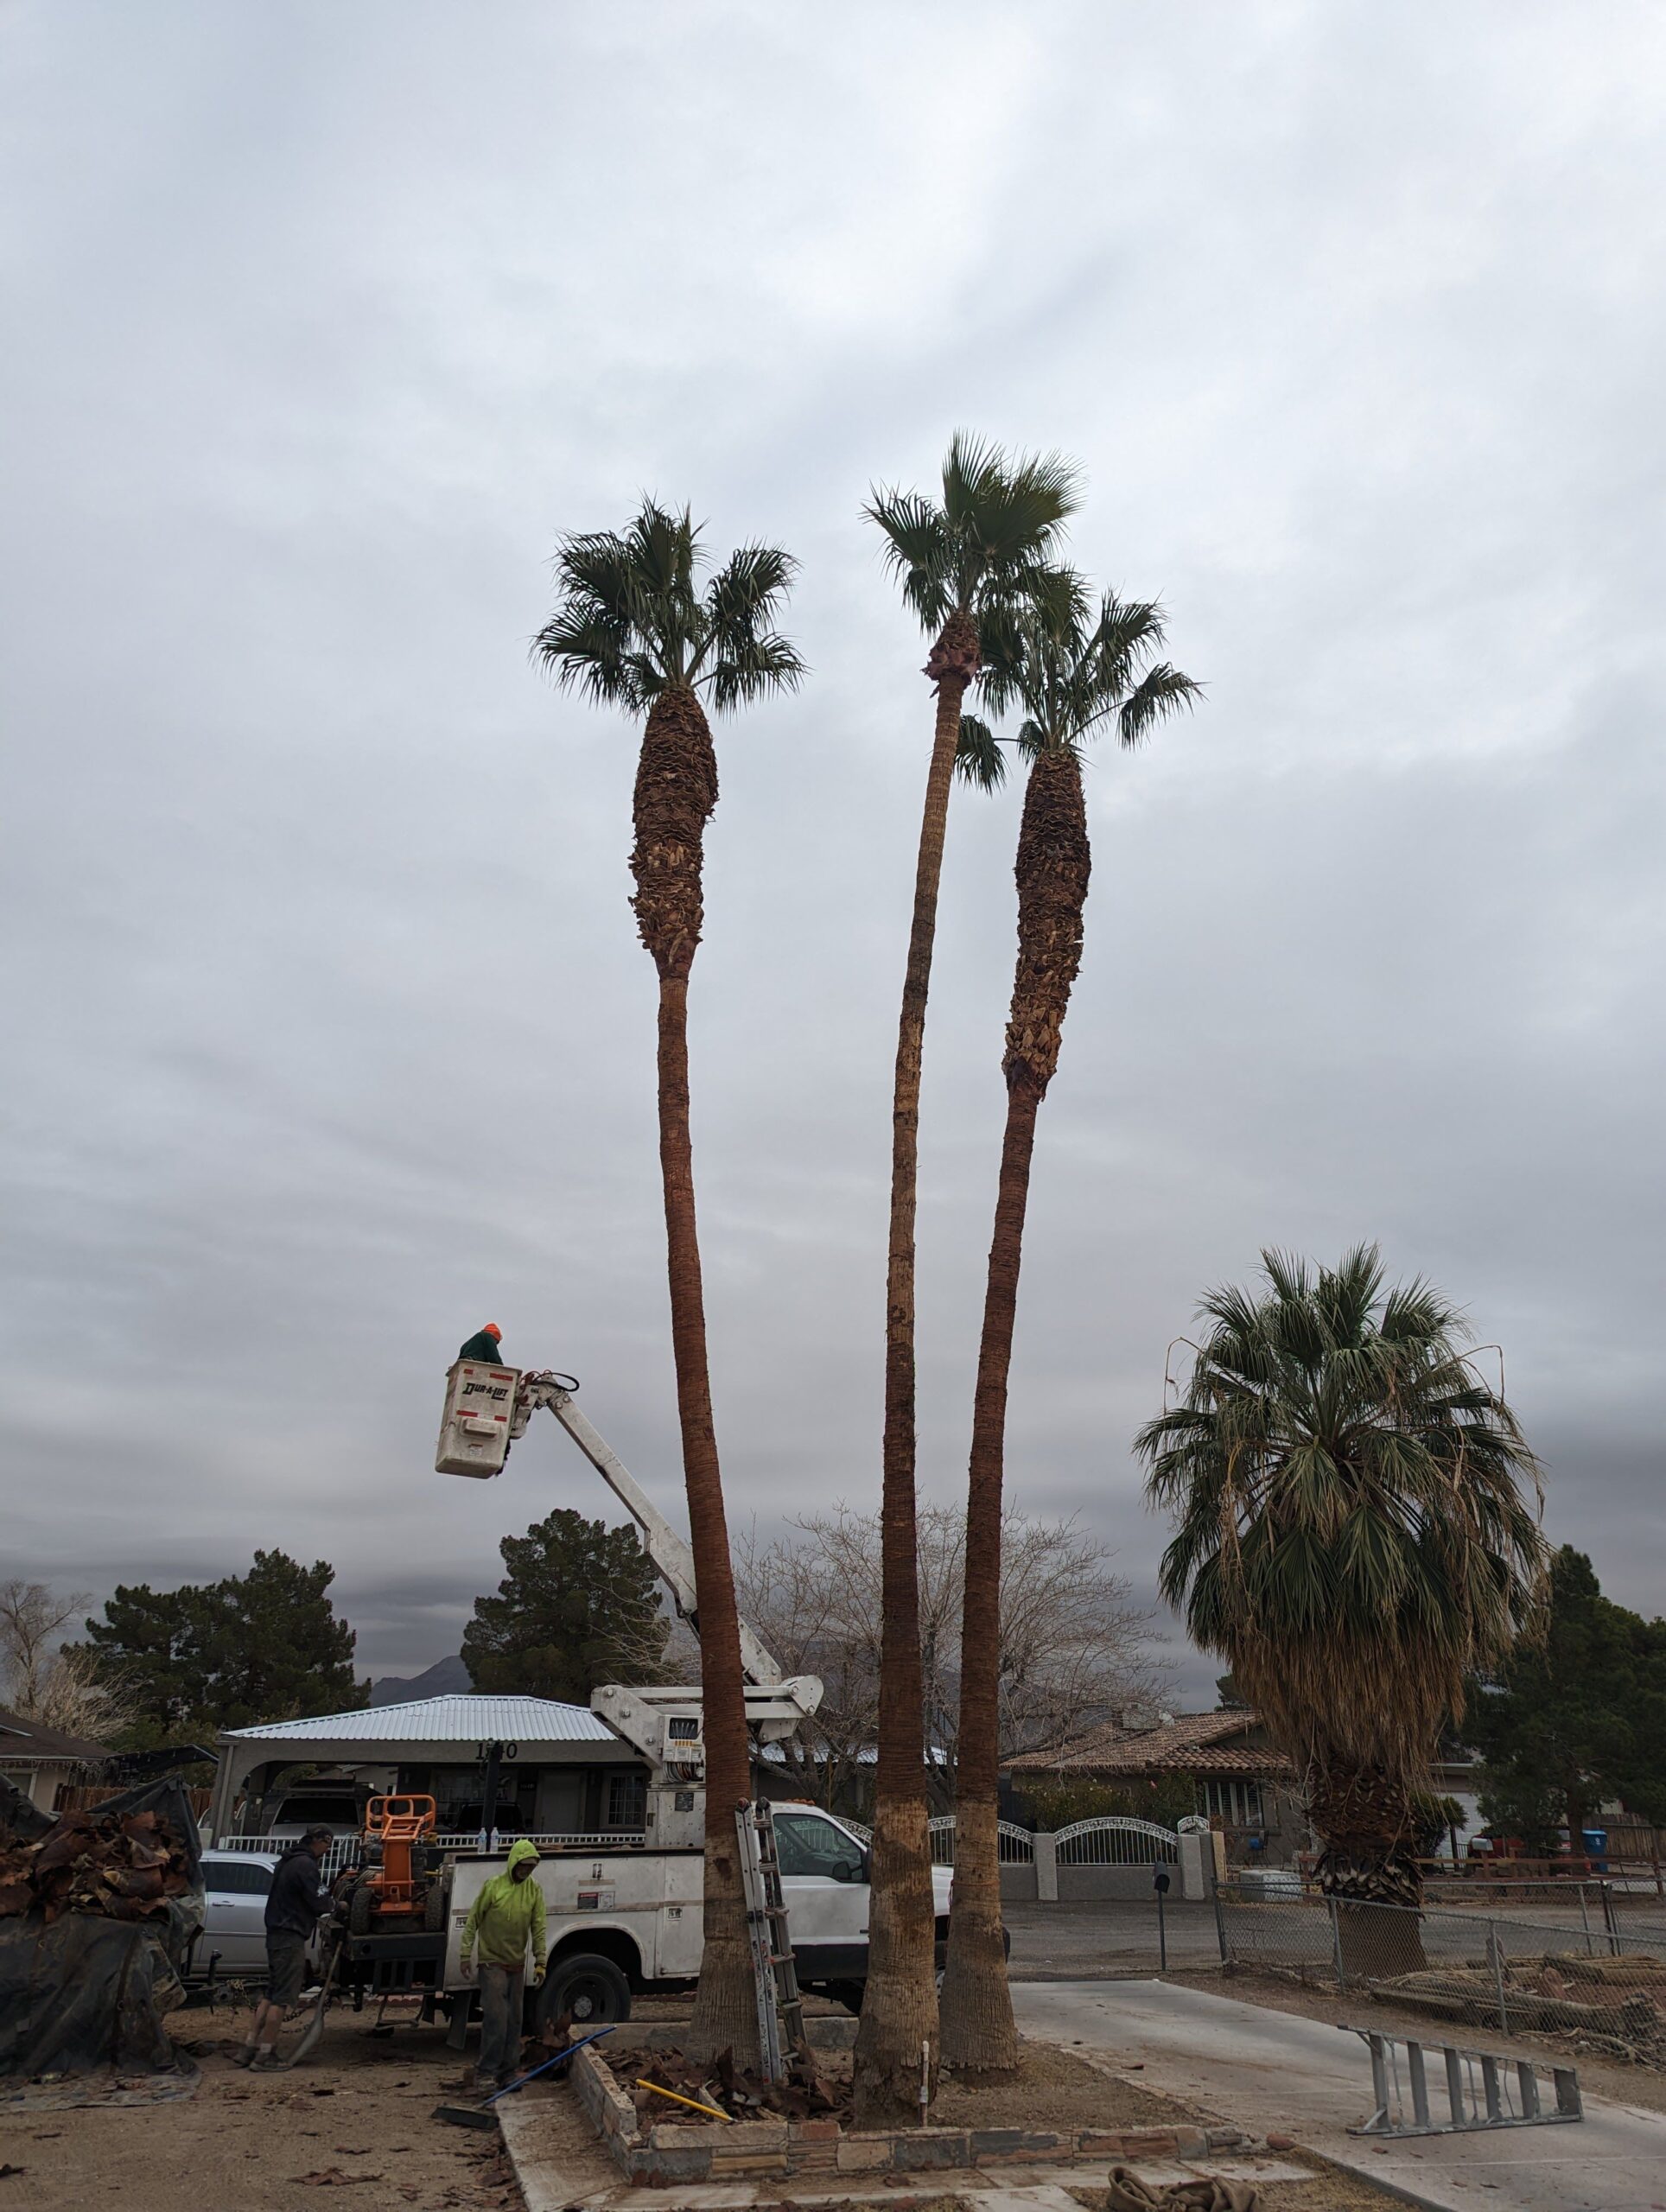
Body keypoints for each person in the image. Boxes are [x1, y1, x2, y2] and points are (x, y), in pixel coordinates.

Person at [237, 1825, 340, 2069]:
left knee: (271, 1993)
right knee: (282, 1998)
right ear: (320, 1841)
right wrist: (337, 1905)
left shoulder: (287, 1861)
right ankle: (266, 2055)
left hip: (275, 1934)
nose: (327, 1851)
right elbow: (319, 1901)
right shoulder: (305, 1866)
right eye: (328, 1845)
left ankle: (249, 2048)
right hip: (290, 1936)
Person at [457, 1836, 546, 2093]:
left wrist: (541, 1960)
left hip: (516, 1964)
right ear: (513, 1862)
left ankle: (507, 2073)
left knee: (515, 2020)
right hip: (491, 1962)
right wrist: (466, 1954)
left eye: (531, 1867)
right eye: (523, 1865)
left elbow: (538, 1927)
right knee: (497, 2017)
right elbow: (473, 1921)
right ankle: (486, 2073)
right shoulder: (493, 1887)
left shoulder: (534, 1891)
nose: (526, 1870)